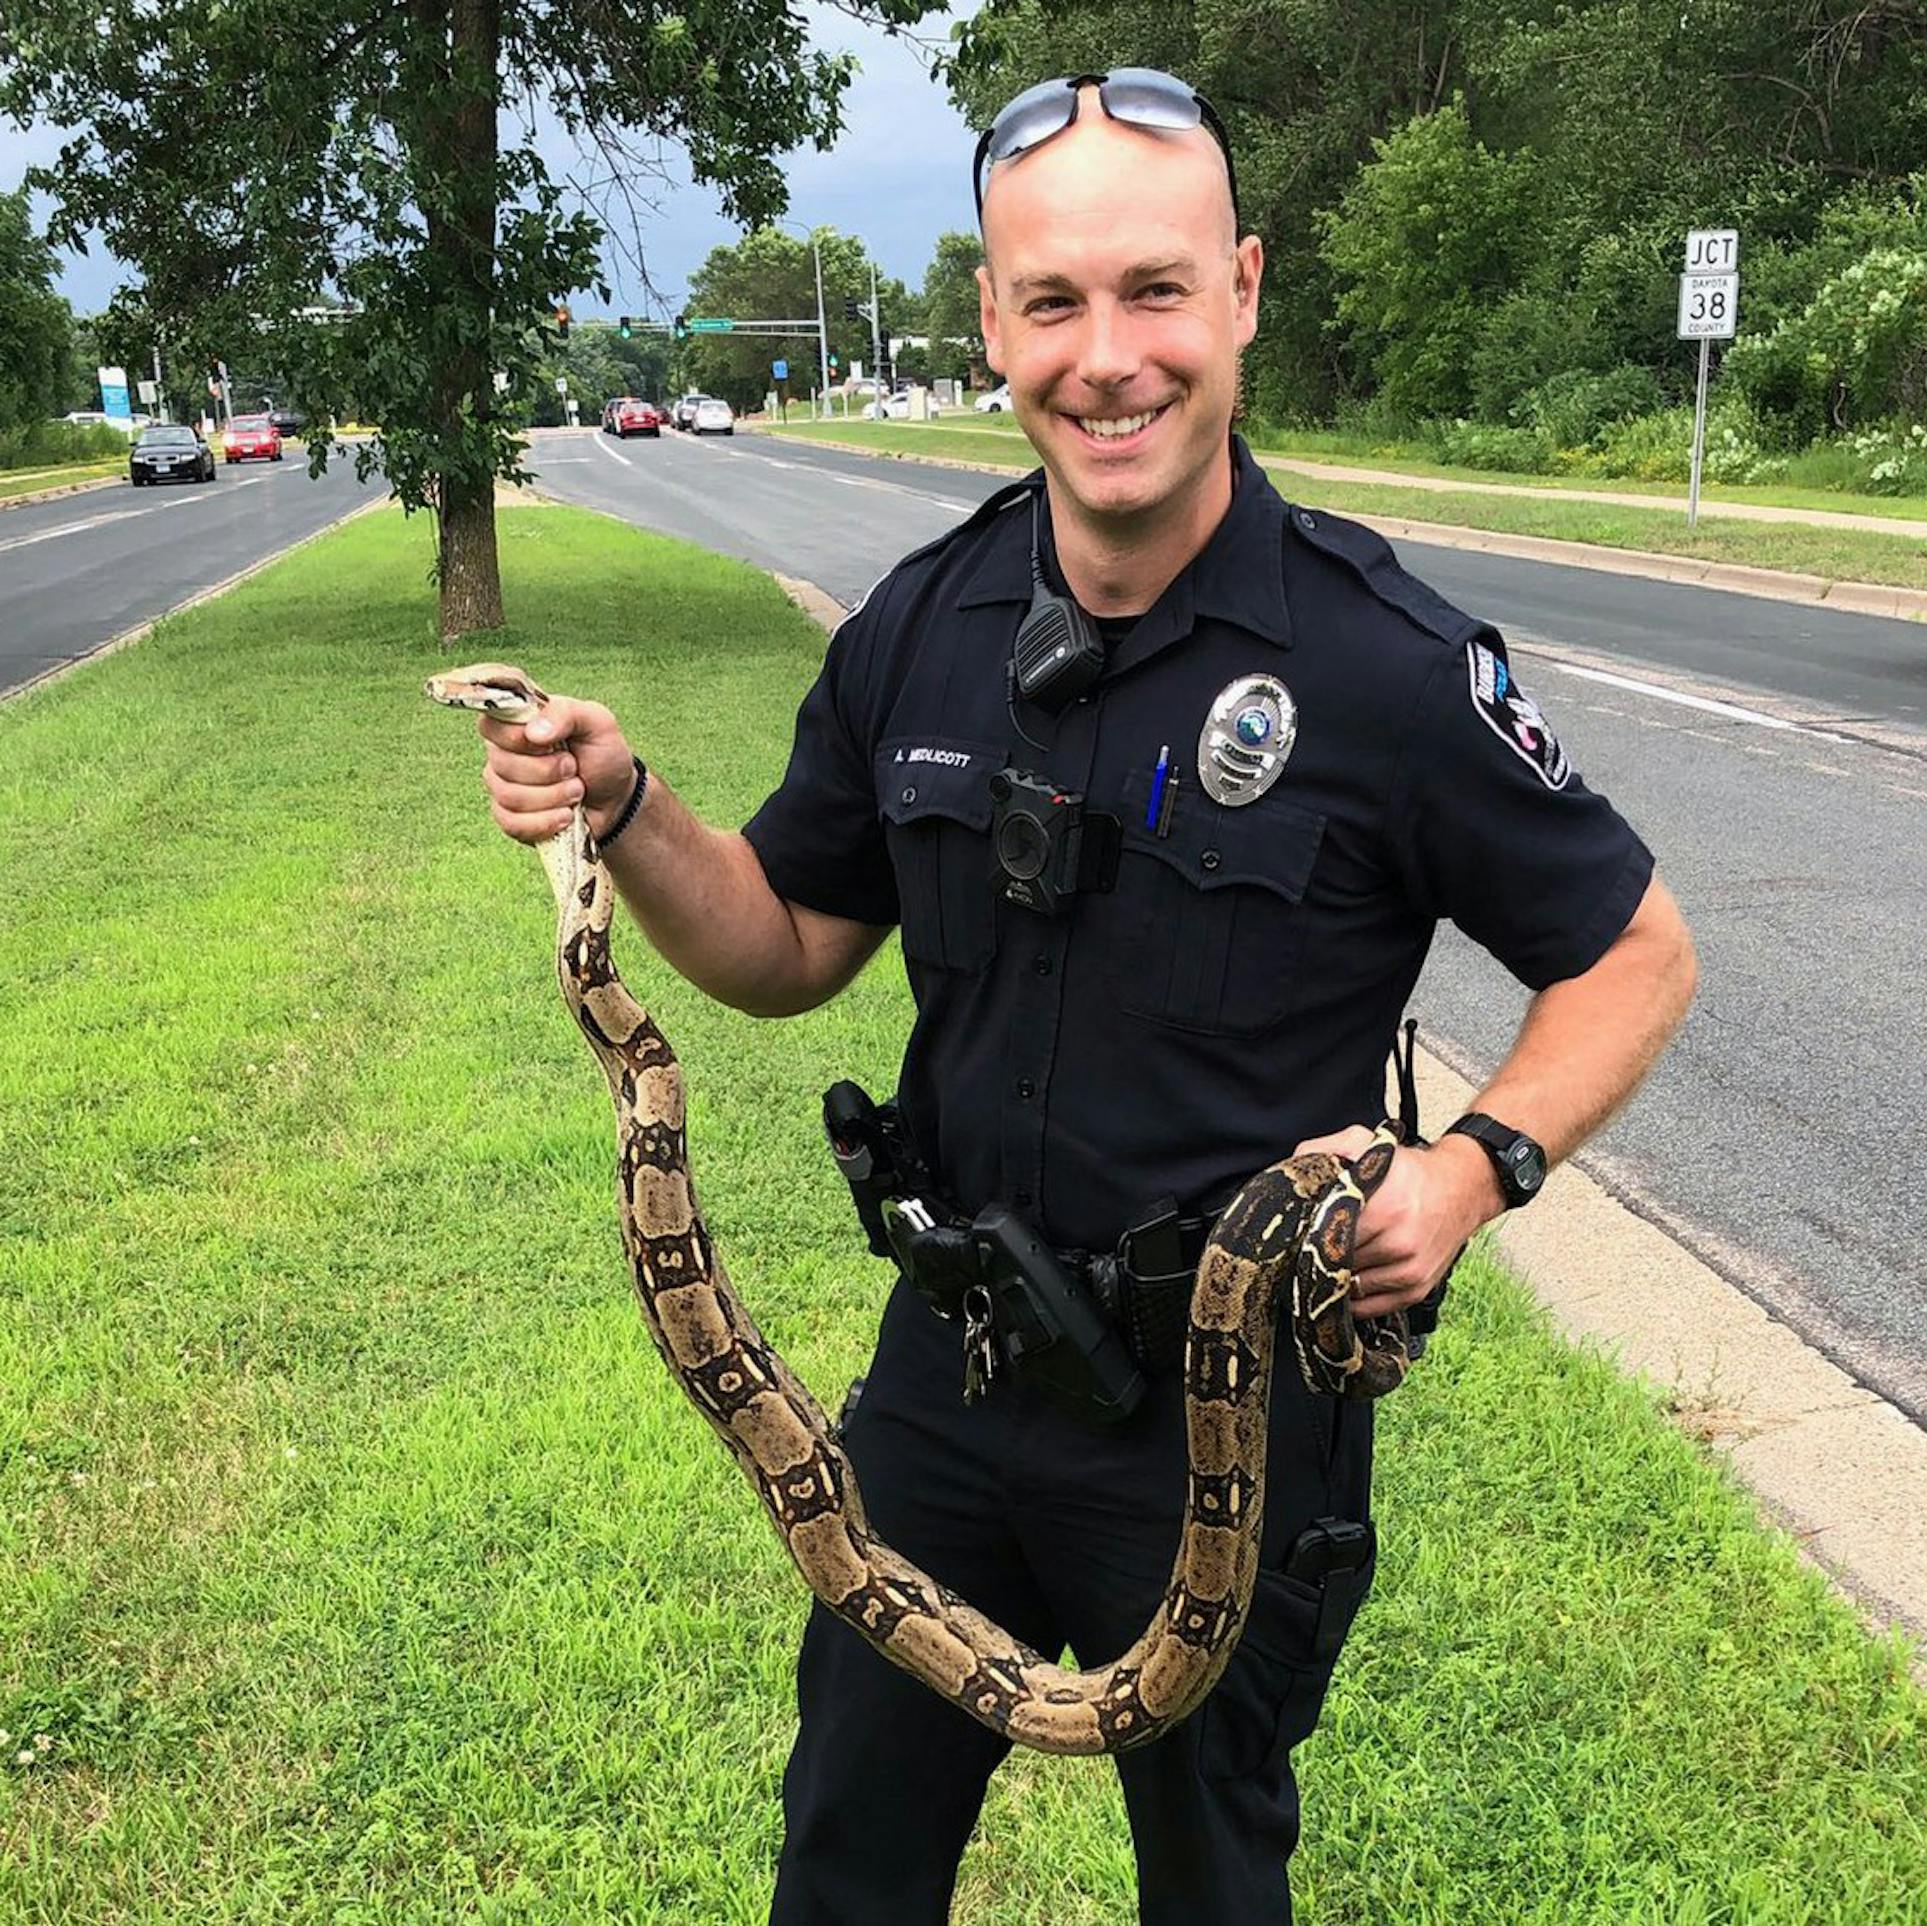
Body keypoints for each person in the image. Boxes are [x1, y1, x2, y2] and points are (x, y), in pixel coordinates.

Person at [465, 70, 1697, 1926]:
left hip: (1228, 1419)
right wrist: (629, 809)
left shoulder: (1383, 663)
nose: (1107, 358)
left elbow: (1635, 951)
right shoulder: (922, 621)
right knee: (845, 1869)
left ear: (1245, 293)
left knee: (1212, 1884)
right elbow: (786, 940)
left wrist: (1468, 1175)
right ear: (993, 323)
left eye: (1155, 292)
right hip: (943, 1388)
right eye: (1054, 303)